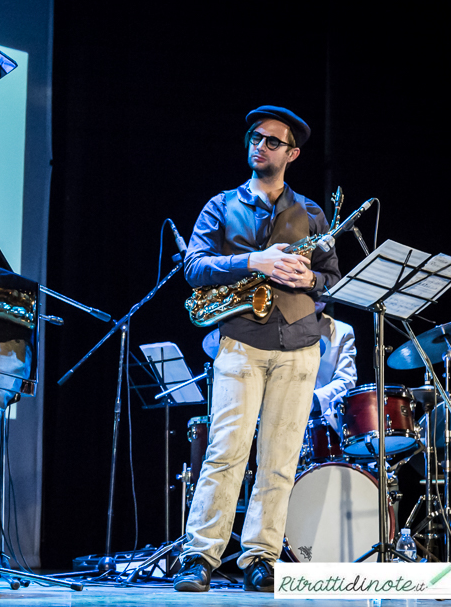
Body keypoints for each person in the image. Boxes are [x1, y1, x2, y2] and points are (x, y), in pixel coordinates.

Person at [174, 106, 341, 592]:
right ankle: (200, 557)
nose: (260, 146)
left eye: (272, 141)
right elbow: (195, 267)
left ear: (292, 153)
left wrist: (312, 277)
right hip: (241, 340)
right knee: (225, 452)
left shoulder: (312, 213)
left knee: (280, 458)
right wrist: (255, 260)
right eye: (255, 137)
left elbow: (333, 278)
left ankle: (260, 558)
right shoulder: (220, 205)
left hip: (299, 343)